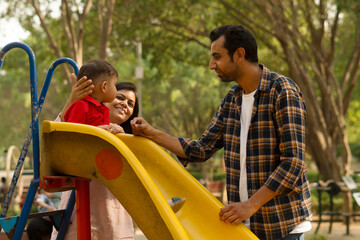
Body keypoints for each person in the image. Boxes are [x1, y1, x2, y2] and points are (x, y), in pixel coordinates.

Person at [130, 24, 312, 240]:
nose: (211, 65)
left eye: (217, 57)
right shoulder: (232, 98)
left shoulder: (283, 91)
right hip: (245, 226)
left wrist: (250, 205)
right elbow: (202, 149)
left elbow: (293, 162)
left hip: (282, 225)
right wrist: (152, 133)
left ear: (239, 54)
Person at [51, 70, 138, 239]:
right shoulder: (80, 124)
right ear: (105, 92)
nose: (125, 104)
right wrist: (72, 100)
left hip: (113, 221)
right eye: (120, 97)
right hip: (78, 216)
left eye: (131, 104)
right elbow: (56, 139)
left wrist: (119, 135)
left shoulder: (130, 141)